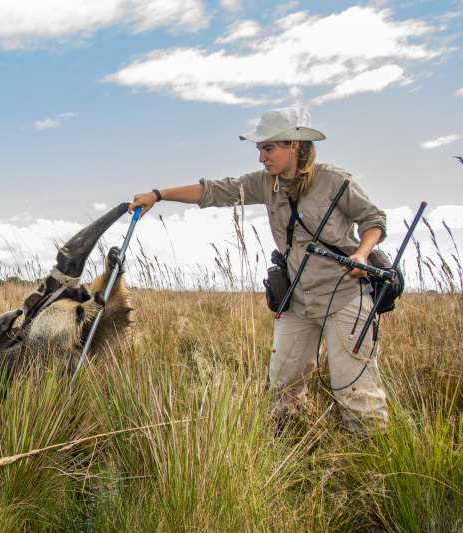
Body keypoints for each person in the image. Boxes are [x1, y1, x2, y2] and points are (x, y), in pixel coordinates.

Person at [127, 107, 388, 433]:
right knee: (281, 387)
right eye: (259, 149)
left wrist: (362, 254)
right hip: (297, 301)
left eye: (268, 148)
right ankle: (286, 453)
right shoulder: (265, 184)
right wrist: (158, 195)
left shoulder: (335, 181)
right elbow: (214, 191)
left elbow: (374, 220)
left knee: (355, 392)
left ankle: (371, 472)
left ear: (294, 145)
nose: (262, 157)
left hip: (345, 297)